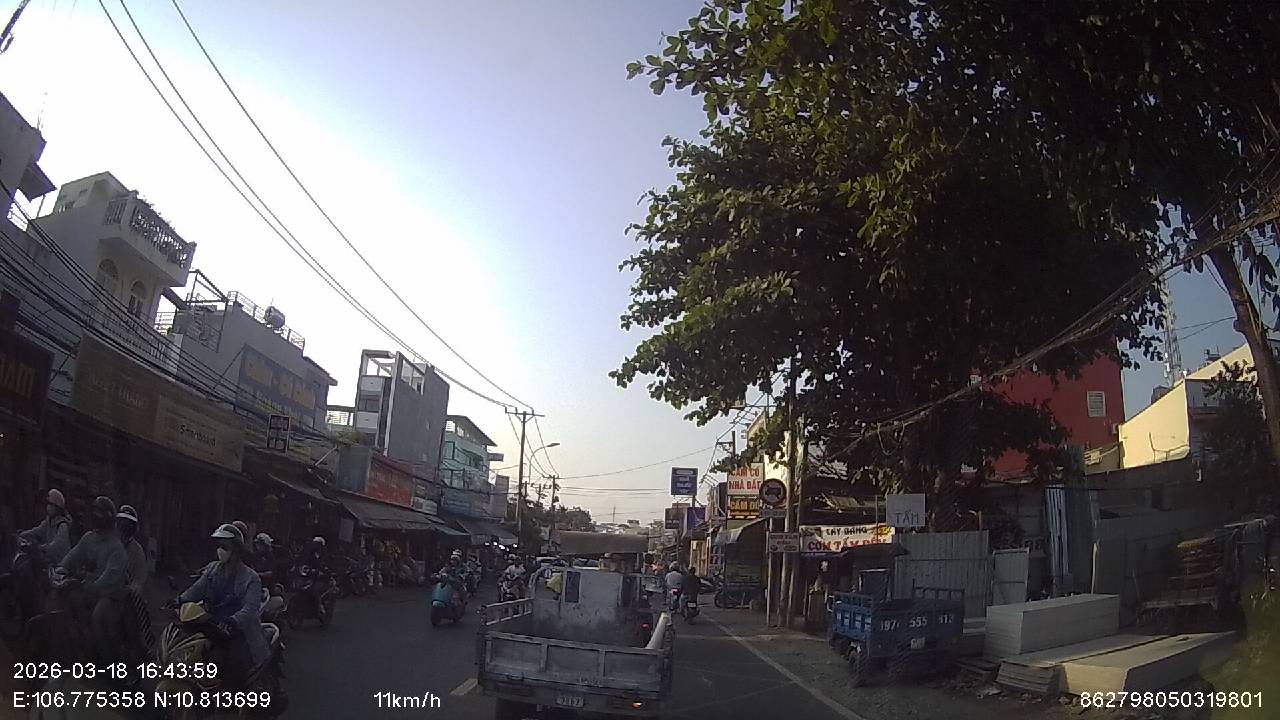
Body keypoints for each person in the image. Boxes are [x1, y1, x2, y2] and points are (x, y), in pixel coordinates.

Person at [176, 523, 268, 688]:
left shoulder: (251, 578)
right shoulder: (213, 569)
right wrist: (179, 599)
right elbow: (197, 589)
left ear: (236, 550)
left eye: (225, 547)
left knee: (234, 670)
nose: (220, 550)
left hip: (238, 632)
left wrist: (233, 620)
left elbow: (250, 609)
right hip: (211, 625)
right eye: (219, 546)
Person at [57, 496, 127, 665]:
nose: (95, 516)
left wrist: (92, 585)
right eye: (94, 512)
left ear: (108, 518)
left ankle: (107, 662)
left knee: (98, 617)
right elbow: (74, 554)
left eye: (99, 513)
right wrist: (61, 568)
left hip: (110, 595)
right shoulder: (89, 538)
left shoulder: (116, 547)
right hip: (88, 588)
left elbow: (110, 576)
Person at [116, 504, 154, 668]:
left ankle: (140, 649)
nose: (123, 527)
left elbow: (140, 579)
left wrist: (130, 588)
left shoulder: (137, 550)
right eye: (121, 523)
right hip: (104, 589)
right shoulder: (110, 543)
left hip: (126, 595)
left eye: (127, 524)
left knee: (134, 617)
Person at [20, 488, 72, 564]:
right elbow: (37, 531)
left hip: (61, 564)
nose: (48, 506)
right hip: (50, 562)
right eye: (47, 503)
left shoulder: (62, 525)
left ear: (57, 507)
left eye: (51, 504)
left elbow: (56, 546)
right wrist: (21, 535)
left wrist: (41, 548)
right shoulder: (49, 521)